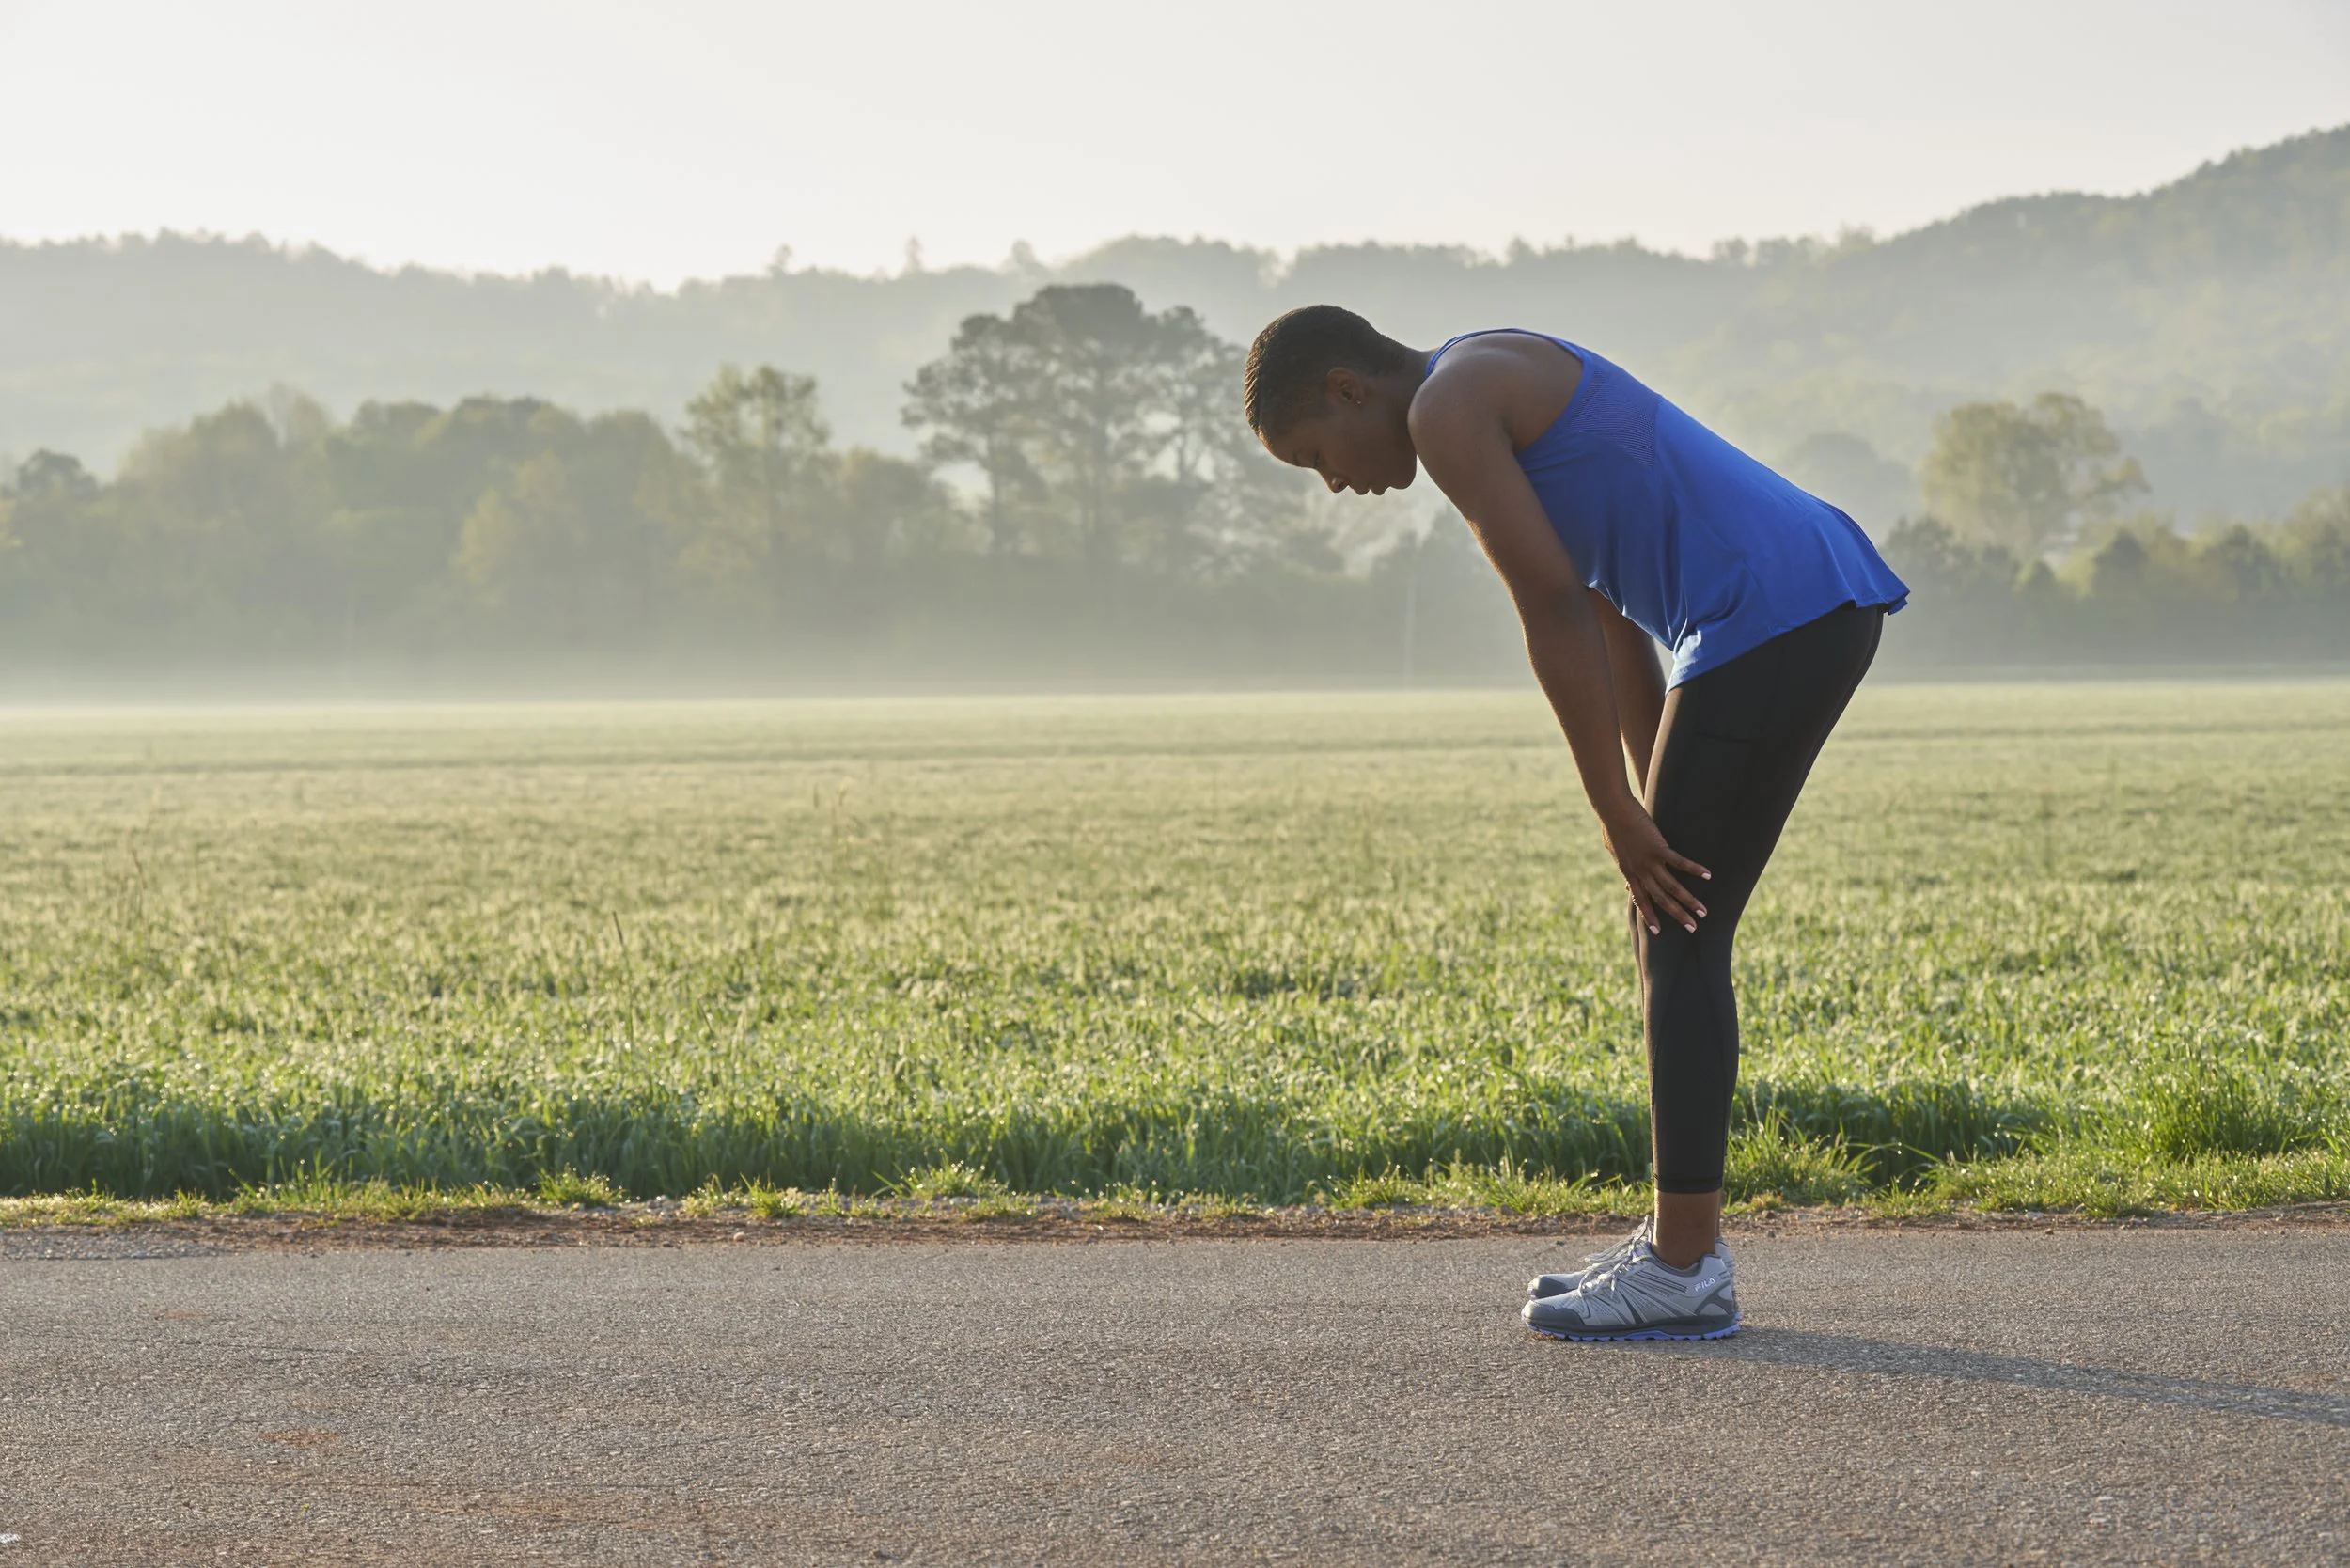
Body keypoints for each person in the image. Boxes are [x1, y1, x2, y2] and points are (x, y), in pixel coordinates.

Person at [1244, 306, 1908, 1341]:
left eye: (1316, 459)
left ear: (1346, 390)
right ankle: (1675, 1251)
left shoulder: (1448, 408)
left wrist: (1613, 817)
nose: (1334, 486)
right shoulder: (1476, 375)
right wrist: (1652, 804)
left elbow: (1550, 607)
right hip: (1783, 602)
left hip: (1768, 610)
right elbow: (1606, 615)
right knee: (1672, 916)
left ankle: (1684, 1270)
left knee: (1676, 933)